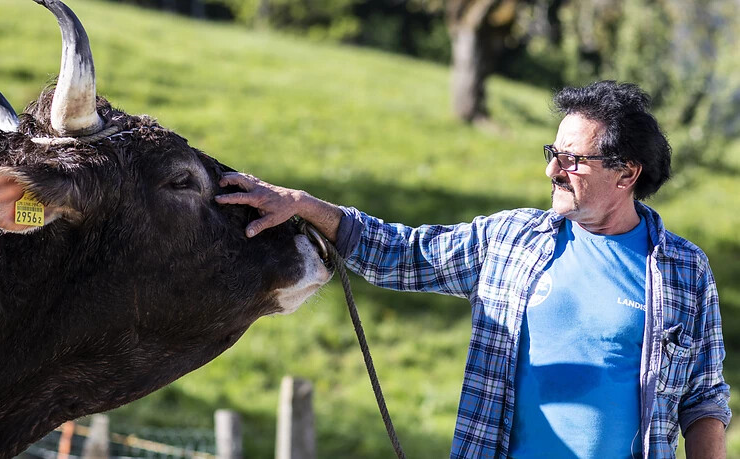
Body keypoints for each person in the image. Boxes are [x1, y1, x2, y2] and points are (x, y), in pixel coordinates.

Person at [215, 81, 731, 458]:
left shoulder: (684, 271)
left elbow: (703, 400)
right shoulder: (510, 240)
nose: (552, 170)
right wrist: (303, 205)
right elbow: (402, 253)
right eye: (553, 153)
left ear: (626, 174)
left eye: (572, 160)